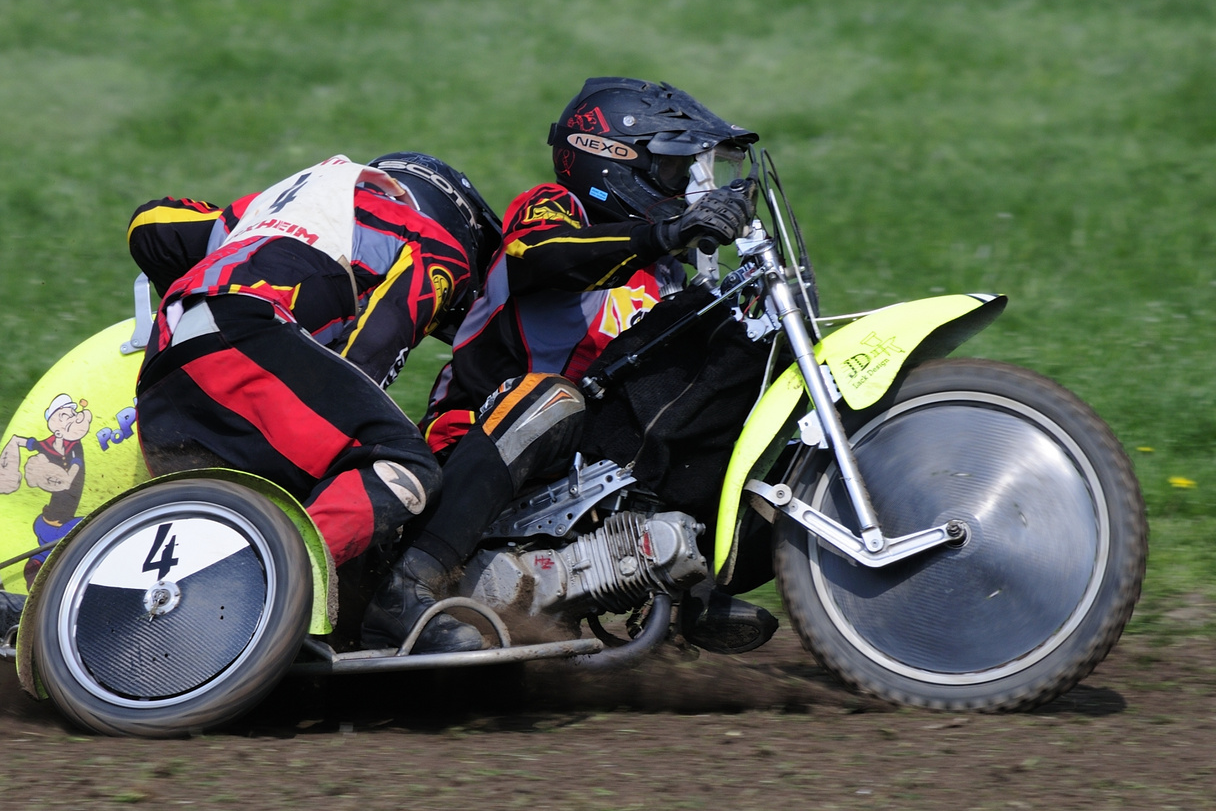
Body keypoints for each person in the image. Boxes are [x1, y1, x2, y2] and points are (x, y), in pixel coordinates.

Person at [362, 78, 764, 651]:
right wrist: (663, 234)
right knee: (553, 397)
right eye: (676, 172)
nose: (689, 191)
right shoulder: (553, 208)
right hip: (480, 436)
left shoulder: (667, 273)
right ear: (613, 160)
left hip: (581, 460)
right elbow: (541, 259)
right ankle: (406, 584)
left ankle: (691, 585)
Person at [130, 153, 503, 582]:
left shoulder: (262, 207)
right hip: (247, 339)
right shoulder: (434, 240)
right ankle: (264, 588)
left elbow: (151, 226)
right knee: (400, 465)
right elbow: (373, 347)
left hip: (163, 368)